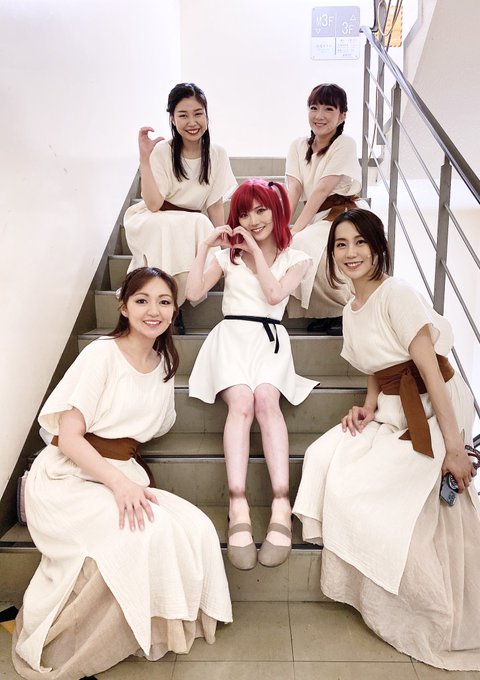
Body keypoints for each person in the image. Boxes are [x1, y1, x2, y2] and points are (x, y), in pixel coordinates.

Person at [293, 208, 480, 671]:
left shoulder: (398, 294)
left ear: (378, 248)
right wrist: (368, 406)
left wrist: (455, 449)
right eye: (340, 244)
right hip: (393, 405)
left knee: (394, 490)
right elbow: (376, 366)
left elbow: (430, 373)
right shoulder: (351, 308)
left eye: (360, 242)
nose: (350, 253)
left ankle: (426, 604)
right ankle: (365, 583)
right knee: (324, 454)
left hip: (431, 405)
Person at [13, 267, 232, 680]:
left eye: (164, 302)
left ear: (174, 310)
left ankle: (165, 625)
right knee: (146, 531)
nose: (154, 311)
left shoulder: (164, 361)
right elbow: (70, 438)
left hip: (121, 470)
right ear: (124, 307)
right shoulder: (101, 353)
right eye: (142, 300)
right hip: (67, 476)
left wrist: (123, 475)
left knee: (198, 528)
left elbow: (152, 424)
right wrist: (118, 483)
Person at [187, 180, 317, 570]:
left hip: (270, 341)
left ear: (277, 211)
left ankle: (281, 503)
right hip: (231, 338)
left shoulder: (297, 258)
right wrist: (205, 247)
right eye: (244, 213)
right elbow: (193, 293)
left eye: (261, 210)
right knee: (242, 402)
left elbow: (275, 295)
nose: (253, 220)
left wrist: (256, 253)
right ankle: (237, 502)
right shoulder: (227, 257)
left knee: (266, 401)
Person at [123, 82, 237, 332]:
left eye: (198, 114)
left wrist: (225, 246)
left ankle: (173, 302)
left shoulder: (217, 154)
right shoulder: (162, 151)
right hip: (154, 217)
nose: (192, 122)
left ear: (207, 116)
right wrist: (144, 159)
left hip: (190, 222)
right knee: (187, 225)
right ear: (172, 119)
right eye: (183, 115)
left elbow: (215, 205)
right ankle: (166, 303)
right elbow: (154, 204)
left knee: (198, 224)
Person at [285, 83, 367, 335]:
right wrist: (281, 227)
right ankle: (329, 313)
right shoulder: (298, 146)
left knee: (303, 243)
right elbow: (293, 189)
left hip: (346, 213)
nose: (319, 115)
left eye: (329, 109)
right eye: (314, 108)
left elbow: (322, 190)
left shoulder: (345, 143)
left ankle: (346, 310)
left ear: (342, 116)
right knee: (297, 244)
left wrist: (295, 229)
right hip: (319, 217)